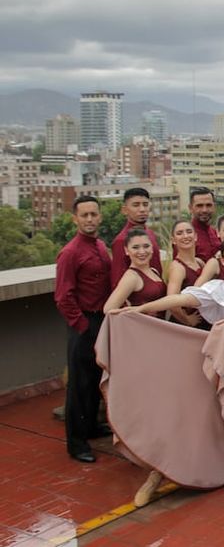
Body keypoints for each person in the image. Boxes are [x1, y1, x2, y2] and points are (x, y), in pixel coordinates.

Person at [112, 238, 224, 497]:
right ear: (222, 260)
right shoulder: (216, 289)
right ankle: (161, 470)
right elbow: (179, 298)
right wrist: (142, 308)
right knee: (200, 415)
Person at [55, 195, 112, 463]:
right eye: (84, 215)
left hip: (101, 320)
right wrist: (82, 326)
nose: (90, 219)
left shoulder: (100, 246)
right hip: (83, 324)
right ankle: (76, 444)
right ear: (75, 219)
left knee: (94, 379)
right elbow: (63, 296)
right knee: (79, 385)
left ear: (99, 216)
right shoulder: (70, 252)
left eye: (93, 214)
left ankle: (90, 427)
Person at [103, 229, 167, 318]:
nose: (142, 251)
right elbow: (108, 309)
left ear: (152, 248)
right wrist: (131, 314)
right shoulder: (131, 277)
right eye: (135, 247)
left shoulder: (154, 271)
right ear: (126, 250)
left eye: (146, 246)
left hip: (160, 327)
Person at [110, 187, 163, 286]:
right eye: (136, 205)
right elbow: (117, 279)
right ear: (125, 210)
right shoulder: (121, 240)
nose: (142, 209)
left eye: (145, 204)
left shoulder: (150, 233)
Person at [165, 220, 205, 328]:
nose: (185, 236)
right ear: (173, 240)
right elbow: (172, 303)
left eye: (189, 231)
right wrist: (187, 320)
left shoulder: (200, 262)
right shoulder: (177, 267)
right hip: (185, 327)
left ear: (195, 236)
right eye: (179, 233)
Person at [188, 187, 221, 262]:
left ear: (214, 207)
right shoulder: (186, 236)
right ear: (190, 208)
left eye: (208, 205)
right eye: (199, 206)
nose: (204, 210)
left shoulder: (216, 233)